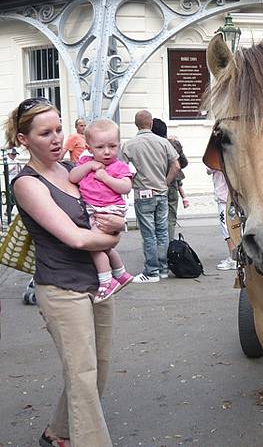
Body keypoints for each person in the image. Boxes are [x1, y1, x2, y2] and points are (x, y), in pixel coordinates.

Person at [6, 97, 125, 446]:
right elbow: (74, 237)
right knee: (83, 374)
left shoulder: (74, 167)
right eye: (45, 133)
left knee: (97, 369)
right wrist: (111, 234)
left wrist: (117, 223)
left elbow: (107, 212)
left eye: (59, 129)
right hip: (61, 288)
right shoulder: (26, 183)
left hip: (97, 283)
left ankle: (58, 433)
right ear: (24, 140)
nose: (57, 138)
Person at [69, 119, 134, 303]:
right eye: (100, 147)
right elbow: (73, 177)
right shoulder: (85, 162)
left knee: (94, 246)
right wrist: (89, 167)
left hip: (109, 210)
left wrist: (105, 177)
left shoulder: (119, 166)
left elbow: (125, 187)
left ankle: (106, 282)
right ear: (89, 148)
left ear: (119, 145)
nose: (107, 152)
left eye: (112, 146)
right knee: (104, 247)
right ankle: (120, 273)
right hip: (93, 209)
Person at [121, 110, 180, 282]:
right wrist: (165, 182)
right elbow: (176, 165)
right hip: (161, 192)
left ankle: (151, 272)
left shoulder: (129, 145)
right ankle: (163, 268)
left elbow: (121, 169)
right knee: (162, 232)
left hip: (143, 194)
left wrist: (131, 183)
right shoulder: (163, 142)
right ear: (151, 124)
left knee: (148, 234)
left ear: (136, 124)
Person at [149, 118, 190, 240]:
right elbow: (184, 162)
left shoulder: (148, 145)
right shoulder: (173, 144)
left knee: (154, 217)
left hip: (152, 184)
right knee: (170, 217)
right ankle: (168, 245)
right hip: (171, 184)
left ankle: (156, 246)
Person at [207, 167, 237, 270]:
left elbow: (208, 170)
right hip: (233, 196)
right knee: (235, 226)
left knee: (226, 227)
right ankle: (236, 256)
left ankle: (233, 258)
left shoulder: (216, 158)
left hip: (223, 197)